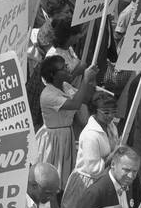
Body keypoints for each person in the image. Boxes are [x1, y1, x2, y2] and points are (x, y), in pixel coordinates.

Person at [36, 56, 98, 193]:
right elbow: (75, 104)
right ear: (53, 74)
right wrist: (86, 79)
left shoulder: (65, 87)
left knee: (64, 179)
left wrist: (91, 79)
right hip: (54, 140)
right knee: (50, 180)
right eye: (63, 68)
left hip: (65, 136)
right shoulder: (48, 95)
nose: (68, 69)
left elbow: (84, 98)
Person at [59, 91, 120, 208]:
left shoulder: (111, 126)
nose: (111, 116)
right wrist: (114, 154)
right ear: (95, 111)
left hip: (103, 181)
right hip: (87, 183)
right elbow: (94, 170)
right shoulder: (90, 135)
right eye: (106, 112)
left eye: (113, 112)